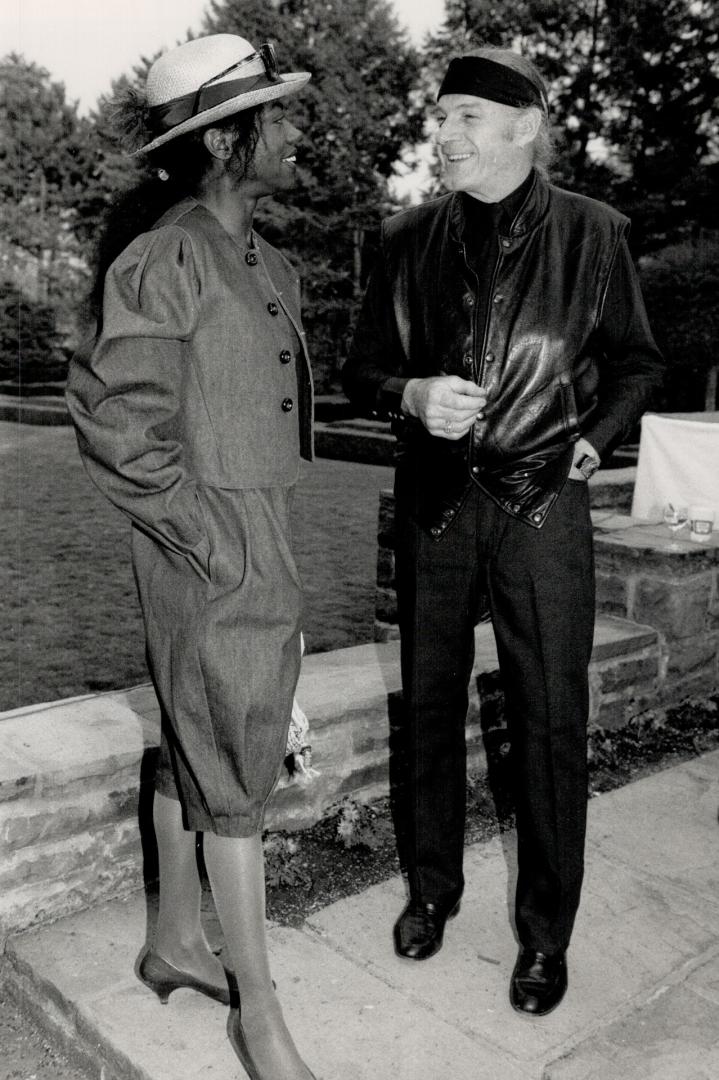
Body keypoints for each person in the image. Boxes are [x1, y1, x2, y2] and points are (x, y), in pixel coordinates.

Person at [343, 46, 664, 1016]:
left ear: (522, 126)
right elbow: (359, 369)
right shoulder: (400, 241)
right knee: (430, 710)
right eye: (436, 118)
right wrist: (409, 392)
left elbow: (639, 364)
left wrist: (588, 445)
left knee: (549, 723)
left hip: (539, 512)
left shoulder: (593, 233)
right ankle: (431, 889)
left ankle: (542, 938)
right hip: (436, 507)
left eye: (464, 118)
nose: (440, 135)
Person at [66, 33, 318, 1079]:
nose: (298, 131)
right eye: (280, 115)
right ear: (226, 141)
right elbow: (115, 420)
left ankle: (175, 940)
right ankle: (256, 1009)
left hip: (258, 535)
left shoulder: (269, 262)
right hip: (207, 545)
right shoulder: (164, 260)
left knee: (195, 743)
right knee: (236, 768)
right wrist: (211, 539)